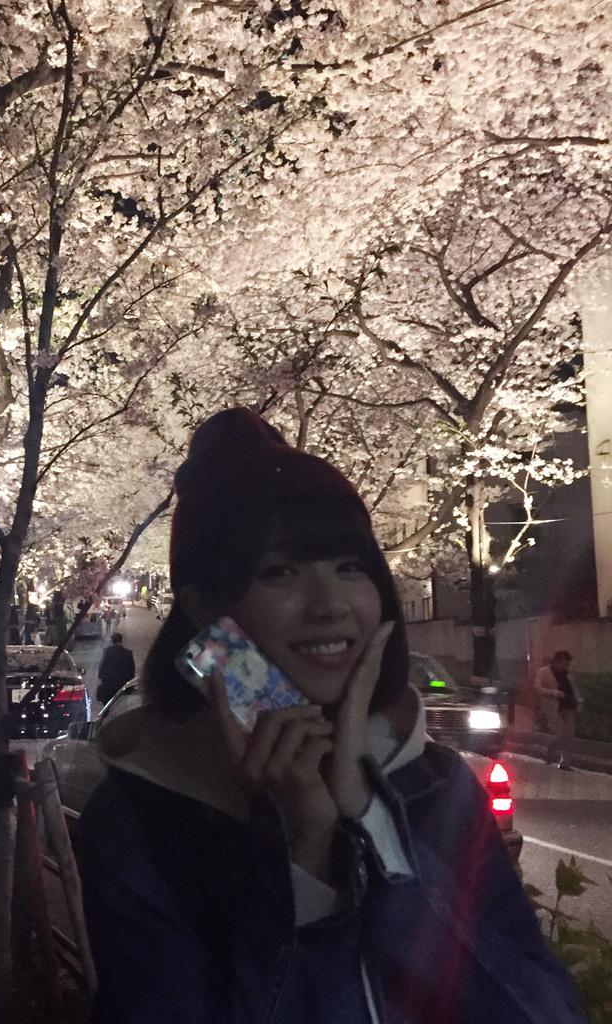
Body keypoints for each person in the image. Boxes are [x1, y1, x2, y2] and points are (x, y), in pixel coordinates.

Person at [78, 408, 583, 1024]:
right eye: (280, 572)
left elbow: (541, 1008)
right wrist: (306, 852)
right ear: (206, 607)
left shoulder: (436, 787)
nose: (330, 605)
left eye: (349, 567)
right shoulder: (140, 821)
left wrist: (370, 819)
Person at [535, 650, 582, 771]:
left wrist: (579, 701)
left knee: (569, 736)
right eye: (562, 662)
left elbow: (574, 688)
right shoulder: (544, 672)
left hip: (569, 706)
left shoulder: (568, 673)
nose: (565, 665)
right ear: (556, 661)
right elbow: (538, 687)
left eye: (566, 663)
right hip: (554, 707)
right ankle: (548, 750)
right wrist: (553, 693)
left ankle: (565, 762)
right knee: (560, 734)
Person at [97, 632, 136, 706]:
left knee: (108, 706)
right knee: (121, 706)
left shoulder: (107, 652)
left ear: (112, 641)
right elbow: (131, 671)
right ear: (121, 640)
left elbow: (102, 668)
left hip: (109, 685)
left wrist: (103, 679)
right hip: (122, 686)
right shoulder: (128, 653)